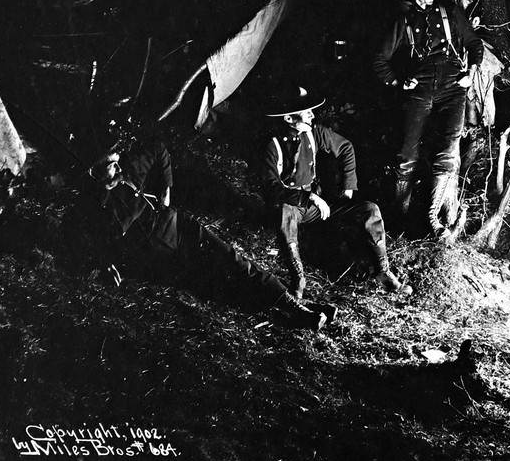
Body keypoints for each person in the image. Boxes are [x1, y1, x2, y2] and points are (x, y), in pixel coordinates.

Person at [64, 141, 333, 331]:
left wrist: (167, 190)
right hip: (160, 261)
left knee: (234, 261)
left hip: (182, 228)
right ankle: (297, 307)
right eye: (110, 165)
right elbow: (75, 240)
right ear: (94, 171)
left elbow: (159, 150)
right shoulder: (89, 207)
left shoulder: (131, 170)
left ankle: (298, 309)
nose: (118, 165)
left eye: (116, 159)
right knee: (223, 288)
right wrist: (101, 260)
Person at [262, 86, 411, 298]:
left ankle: (382, 271)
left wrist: (348, 187)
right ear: (288, 119)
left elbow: (346, 148)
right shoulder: (273, 145)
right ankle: (298, 280)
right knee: (285, 212)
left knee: (369, 210)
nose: (312, 115)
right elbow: (271, 188)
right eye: (306, 112)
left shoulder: (315, 133)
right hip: (291, 205)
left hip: (316, 205)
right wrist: (309, 197)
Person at [374, 0, 483, 241]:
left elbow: (474, 44)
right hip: (420, 88)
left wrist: (471, 72)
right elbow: (379, 60)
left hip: (453, 88)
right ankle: (400, 216)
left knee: (448, 150)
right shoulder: (404, 22)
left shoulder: (451, 13)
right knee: (407, 153)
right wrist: (399, 82)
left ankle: (433, 218)